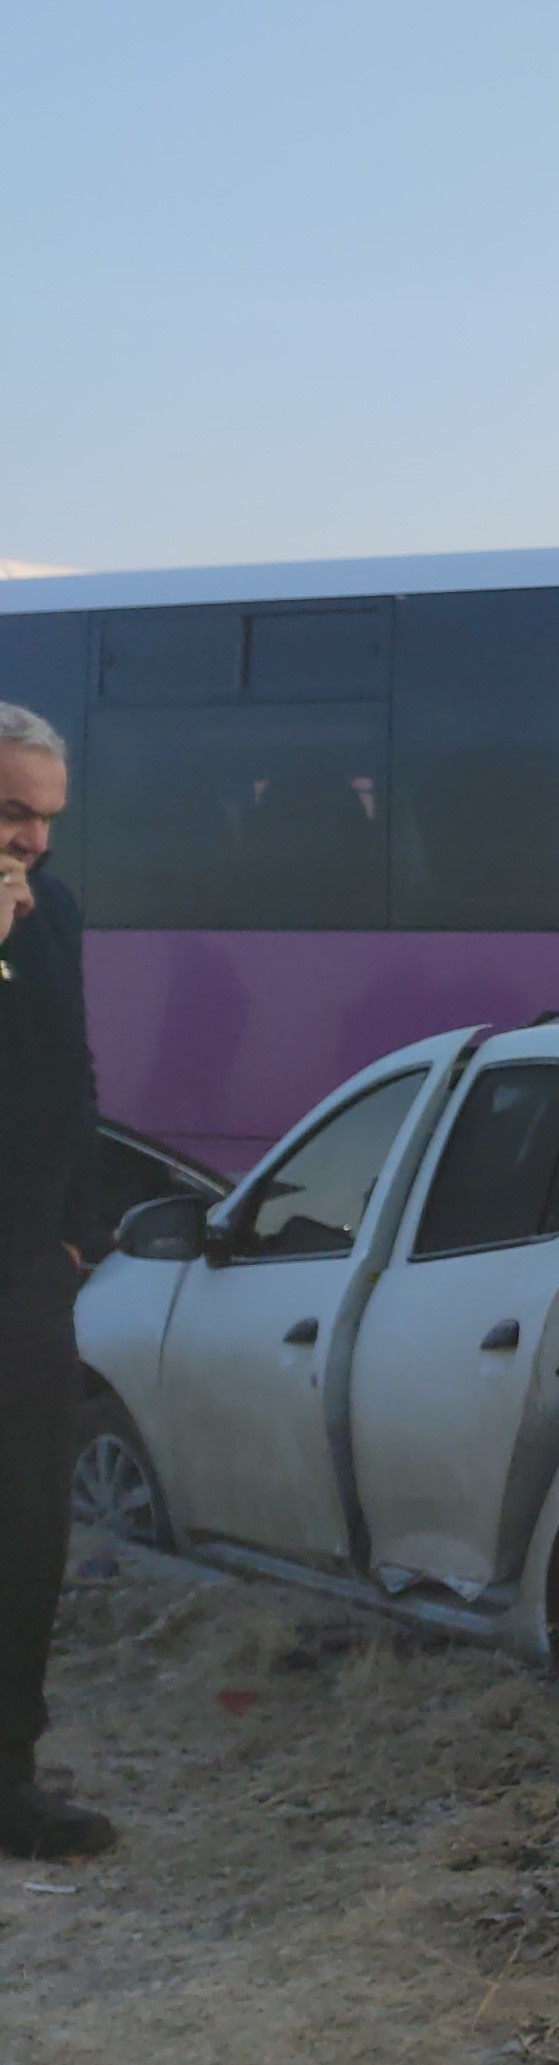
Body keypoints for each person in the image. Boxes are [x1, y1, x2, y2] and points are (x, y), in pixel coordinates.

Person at [0, 699, 114, 1860]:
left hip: (23, 1284)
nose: (30, 840)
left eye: (46, 819)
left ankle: (8, 1778)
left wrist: (74, 1242)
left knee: (24, 1534)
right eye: (8, 812)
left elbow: (73, 1075)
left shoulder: (57, 912)